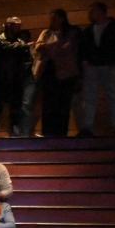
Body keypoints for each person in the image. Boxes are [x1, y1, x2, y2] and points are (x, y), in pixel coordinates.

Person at [79, 1, 115, 136]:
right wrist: (84, 60)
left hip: (108, 65)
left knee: (111, 96)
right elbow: (83, 48)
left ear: (100, 12)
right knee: (92, 98)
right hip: (93, 66)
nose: (89, 15)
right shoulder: (89, 30)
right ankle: (89, 128)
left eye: (92, 12)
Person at [33, 8, 80, 138]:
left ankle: (61, 134)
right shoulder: (46, 33)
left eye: (54, 18)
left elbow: (67, 48)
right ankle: (47, 132)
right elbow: (38, 46)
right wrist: (55, 47)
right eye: (50, 18)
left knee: (63, 104)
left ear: (62, 19)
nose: (51, 21)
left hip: (66, 73)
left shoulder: (71, 32)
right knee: (48, 103)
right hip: (48, 71)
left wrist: (49, 47)